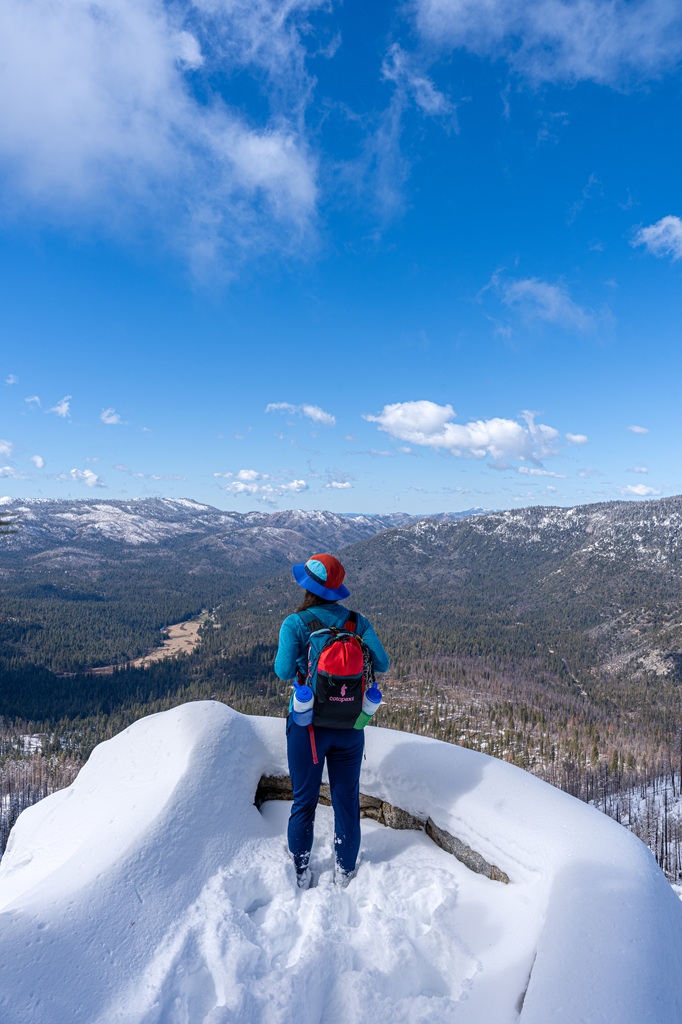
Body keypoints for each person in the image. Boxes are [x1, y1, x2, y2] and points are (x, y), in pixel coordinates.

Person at [274, 553, 389, 889]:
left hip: (308, 727)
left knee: (304, 802)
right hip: (350, 728)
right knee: (346, 800)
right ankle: (345, 870)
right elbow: (381, 663)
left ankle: (300, 871)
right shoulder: (357, 622)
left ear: (307, 586)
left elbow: (283, 671)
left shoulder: (295, 623)